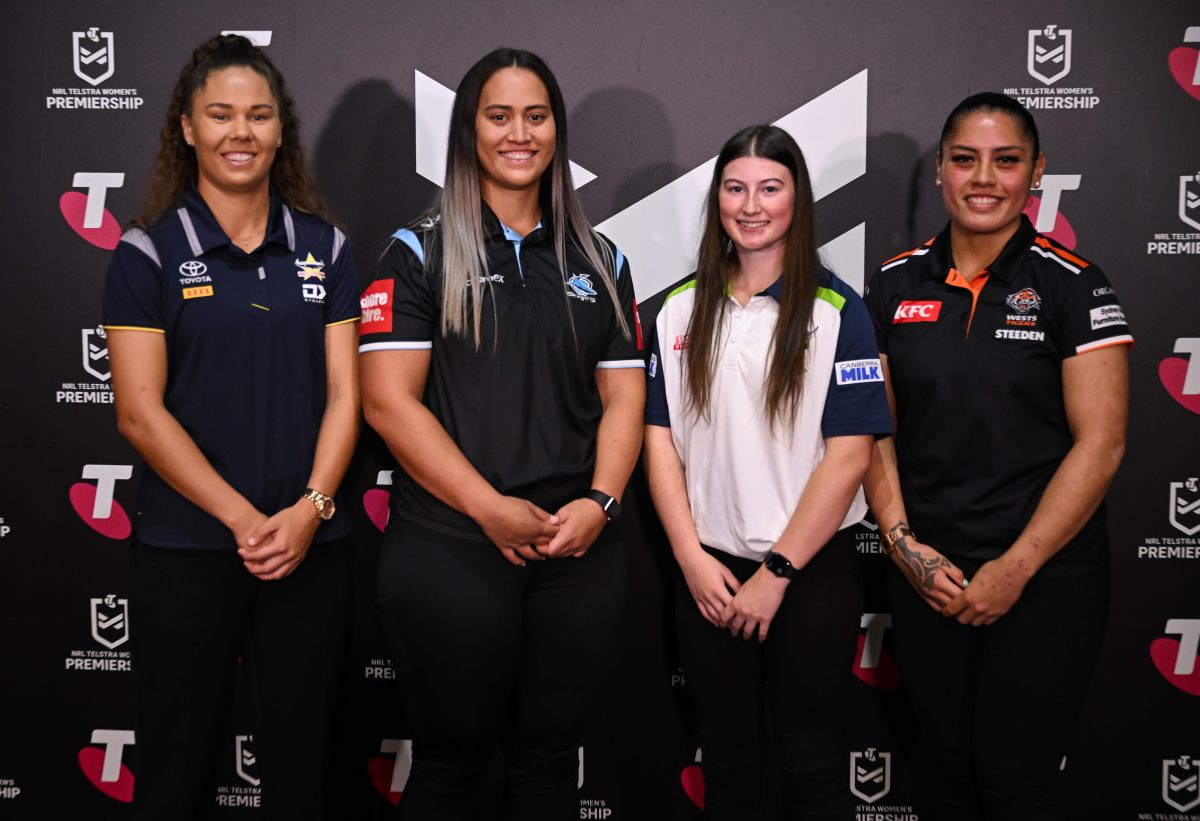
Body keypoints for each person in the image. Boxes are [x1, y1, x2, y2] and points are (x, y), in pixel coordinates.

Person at [359, 48, 645, 819]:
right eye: (499, 115)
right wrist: (488, 507)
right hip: (454, 547)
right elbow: (388, 404)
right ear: (469, 131)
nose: (519, 133)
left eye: (536, 115)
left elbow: (625, 399)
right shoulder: (418, 250)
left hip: (575, 549)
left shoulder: (600, 256)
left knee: (548, 769)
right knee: (450, 769)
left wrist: (601, 503)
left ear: (556, 129)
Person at [102, 34, 360, 820]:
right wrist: (247, 519)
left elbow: (348, 396)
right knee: (176, 772)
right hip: (187, 551)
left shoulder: (326, 246)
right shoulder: (146, 253)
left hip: (309, 552)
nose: (239, 132)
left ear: (282, 130)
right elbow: (140, 414)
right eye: (220, 114)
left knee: (305, 771)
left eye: (257, 115)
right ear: (186, 127)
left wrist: (310, 512)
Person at [862, 92, 1132, 820]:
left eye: (1006, 160)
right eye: (965, 159)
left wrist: (1013, 569)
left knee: (1016, 781)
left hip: (1045, 579)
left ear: (1035, 172)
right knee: (943, 774)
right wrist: (906, 547)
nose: (985, 178)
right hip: (931, 579)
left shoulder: (1074, 284)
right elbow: (870, 430)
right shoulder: (892, 284)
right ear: (942, 172)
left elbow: (1101, 445)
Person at [643, 124, 892, 819]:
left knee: (811, 765)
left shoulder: (840, 311)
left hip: (809, 578)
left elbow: (851, 456)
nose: (751, 205)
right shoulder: (676, 309)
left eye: (770, 188)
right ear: (717, 198)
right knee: (726, 762)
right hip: (710, 580)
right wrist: (691, 557)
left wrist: (777, 574)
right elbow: (658, 439)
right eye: (735, 188)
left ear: (798, 200)